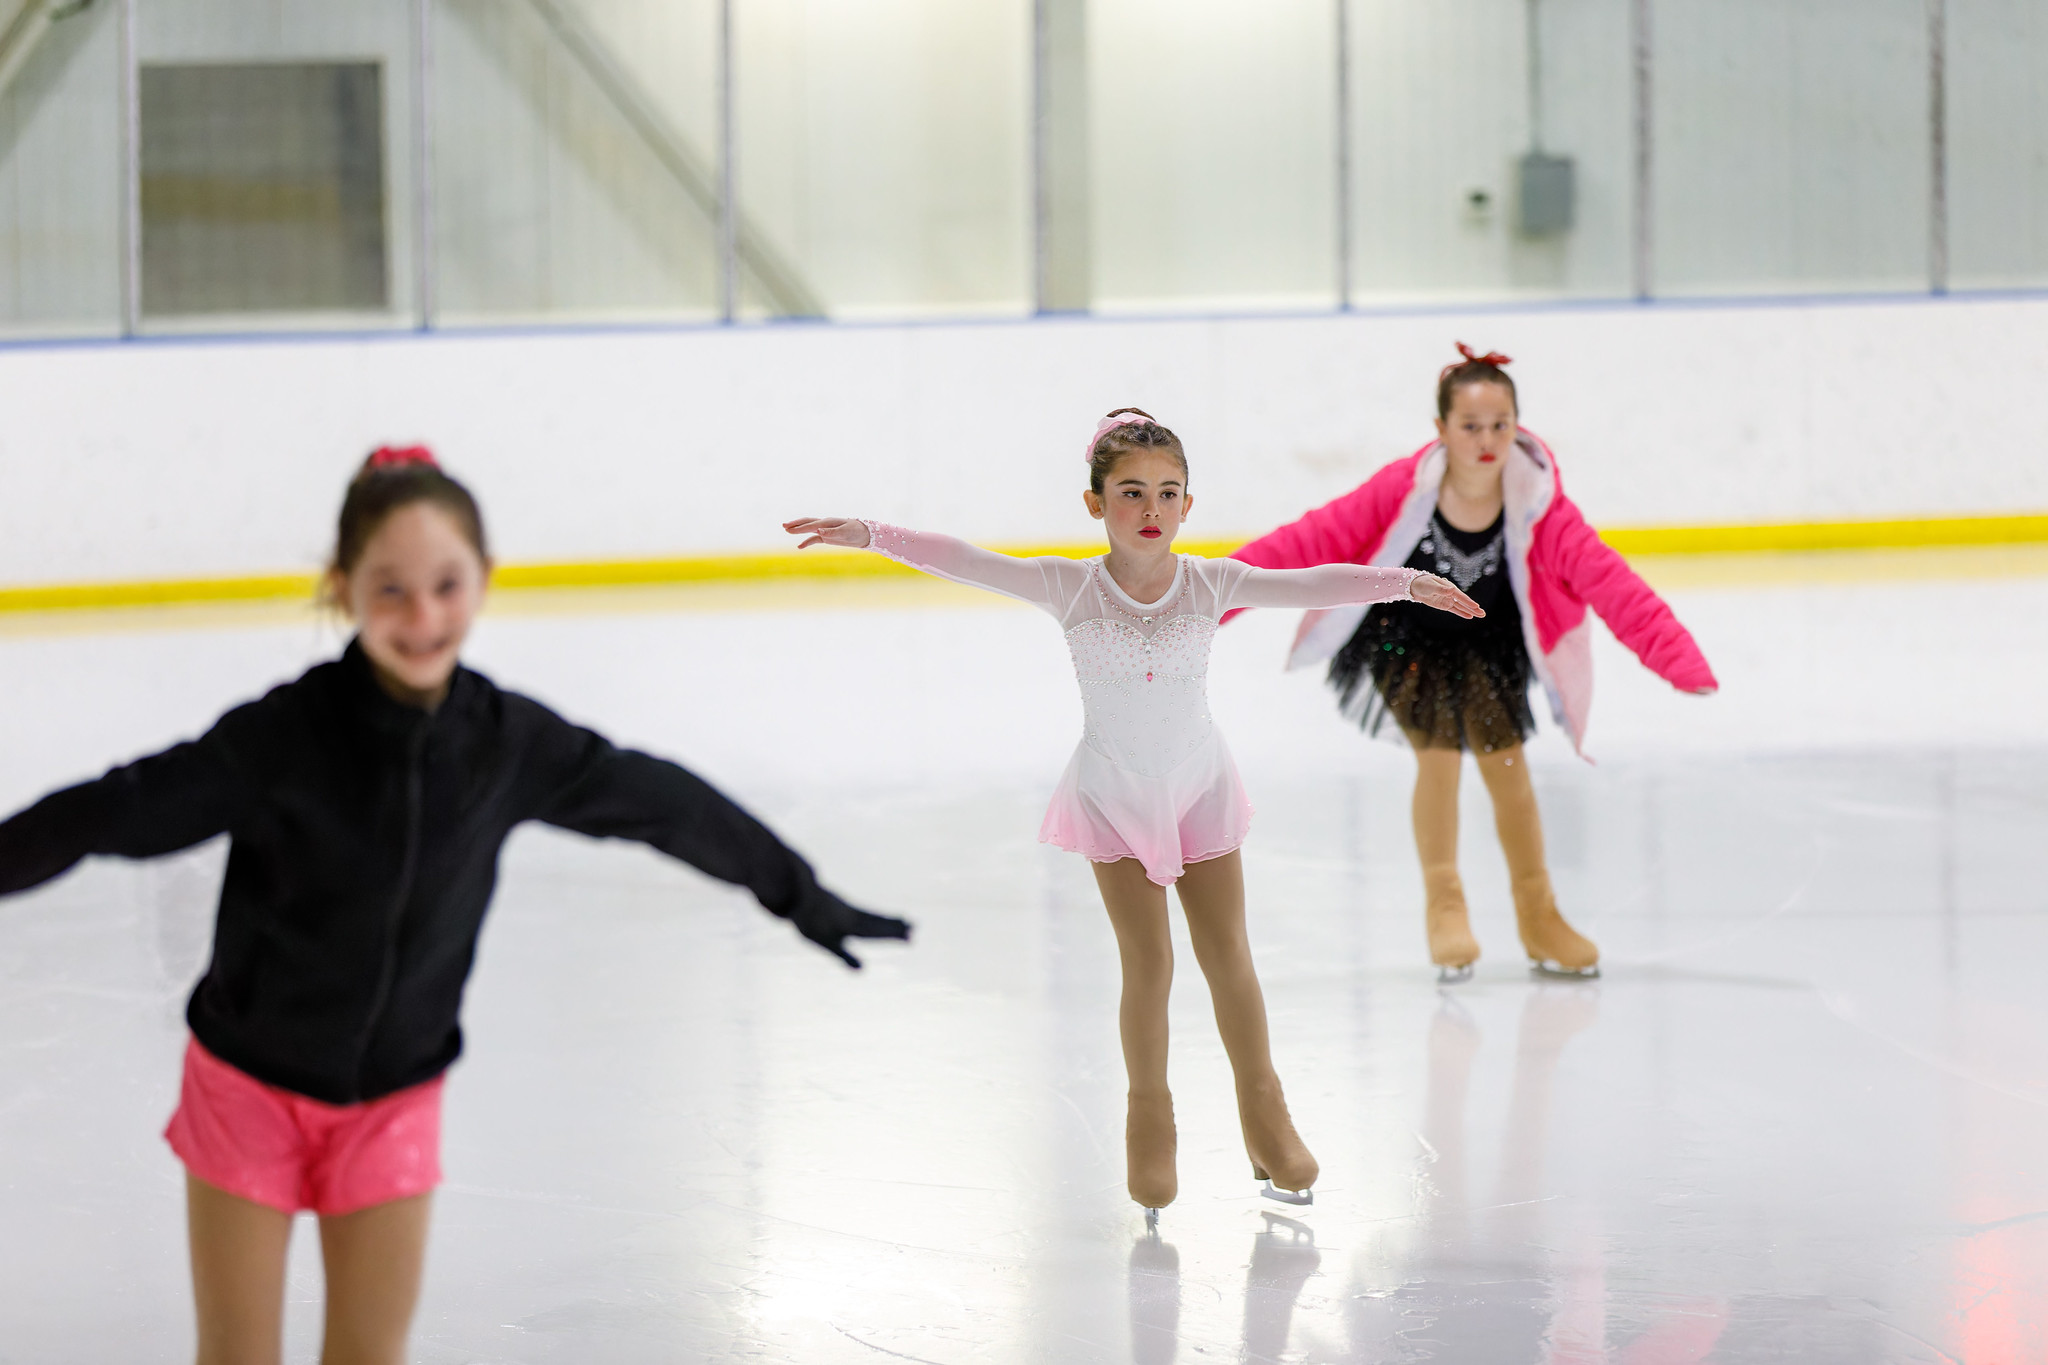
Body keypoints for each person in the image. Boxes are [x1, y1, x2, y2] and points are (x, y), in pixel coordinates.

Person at [0, 446, 908, 1365]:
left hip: (393, 1101)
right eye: (390, 589)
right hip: (248, 1089)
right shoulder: (282, 737)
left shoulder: (505, 742)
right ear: (343, 588)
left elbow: (658, 802)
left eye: (446, 584)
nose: (423, 615)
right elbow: (112, 811)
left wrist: (799, 891)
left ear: (483, 580)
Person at [783, 408, 1479, 1216]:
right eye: (1130, 492)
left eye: (1168, 492)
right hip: (1114, 796)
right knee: (1149, 964)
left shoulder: (1213, 582)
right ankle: (1150, 1117)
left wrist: (1406, 583)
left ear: (1189, 505)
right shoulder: (1067, 585)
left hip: (1200, 786)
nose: (1151, 508)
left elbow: (1308, 583)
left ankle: (1266, 1113)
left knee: (1230, 959)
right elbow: (967, 561)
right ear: (1095, 503)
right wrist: (873, 532)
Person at [1231, 345, 1717, 981]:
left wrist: (1677, 659)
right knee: (1438, 756)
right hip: (1408, 640)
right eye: (1470, 427)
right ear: (1441, 431)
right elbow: (1309, 539)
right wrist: (1215, 594)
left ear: (1517, 425)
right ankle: (1446, 905)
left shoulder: (1542, 507)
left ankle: (1539, 913)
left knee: (1507, 767)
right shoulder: (1402, 489)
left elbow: (1613, 585)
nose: (1487, 441)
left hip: (1491, 644)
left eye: (1500, 425)